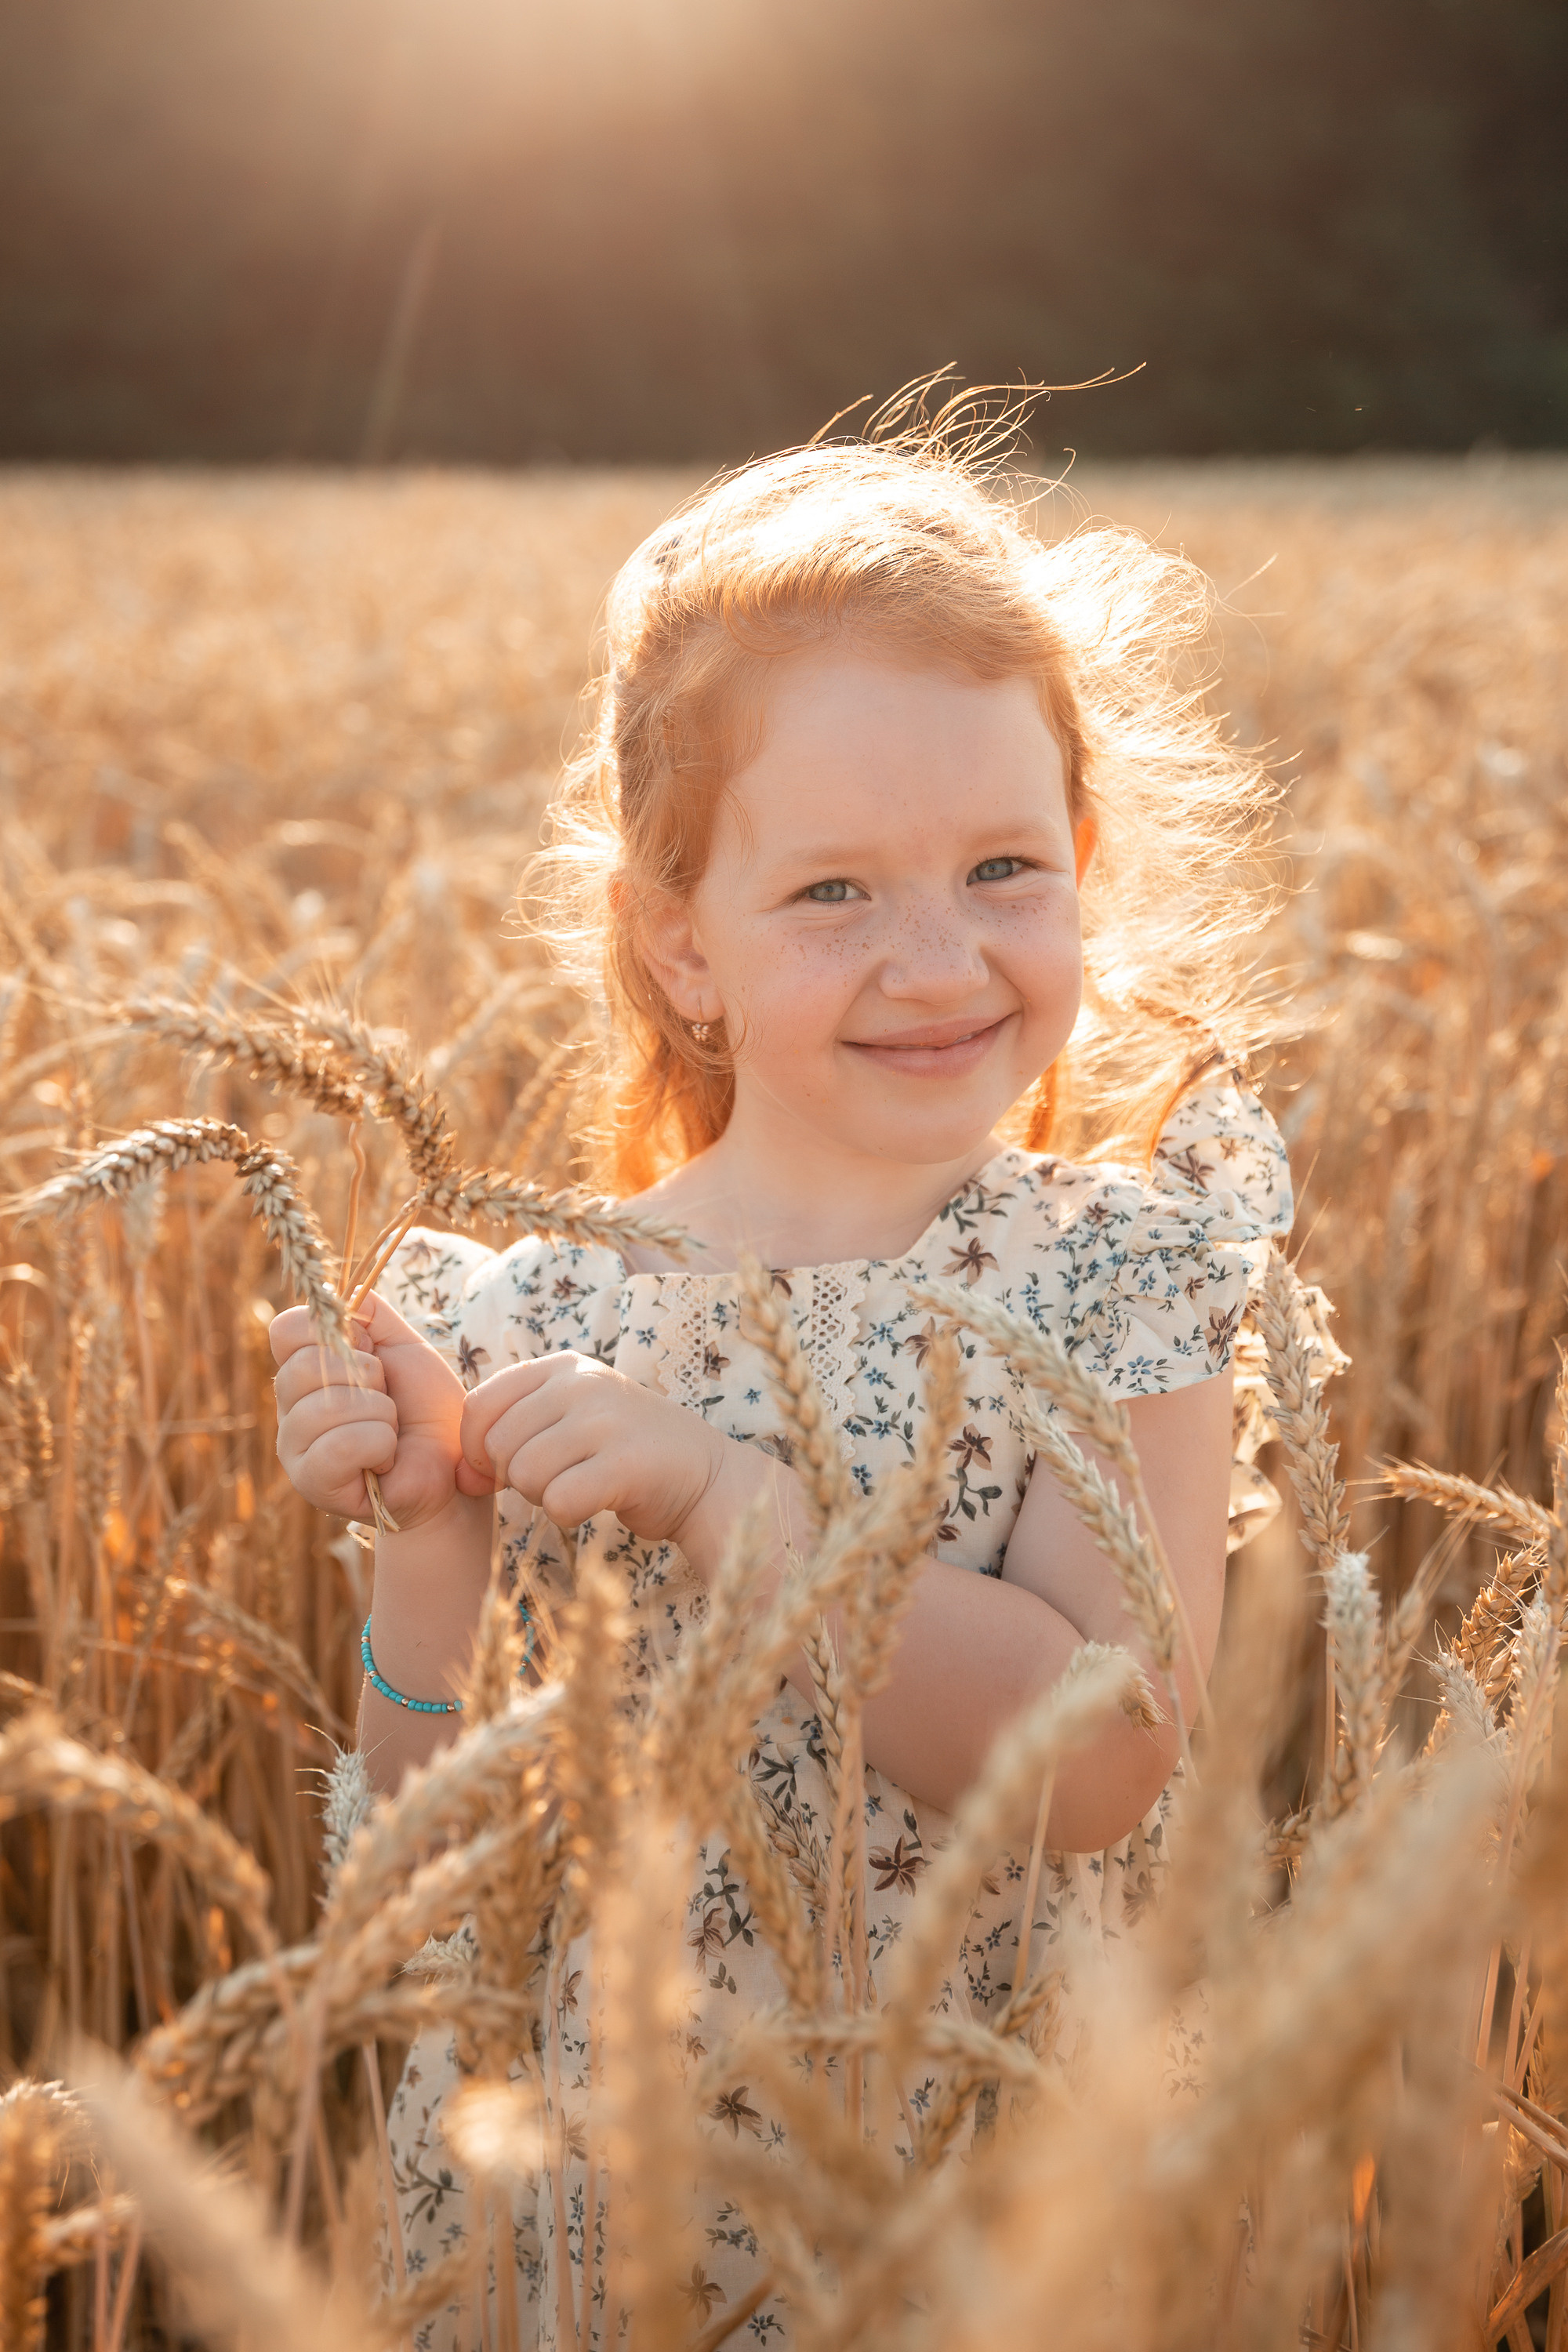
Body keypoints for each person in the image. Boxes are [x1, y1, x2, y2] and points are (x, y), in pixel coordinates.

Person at [270, 419, 1293, 2350]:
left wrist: (726, 1501)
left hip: (963, 2193)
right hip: (599, 2204)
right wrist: (425, 1535)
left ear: (1083, 868)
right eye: (834, 892)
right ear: (681, 949)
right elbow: (430, 1841)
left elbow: (1098, 1761)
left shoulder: (1115, 1280)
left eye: (1003, 869)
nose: (938, 957)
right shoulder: (539, 1309)